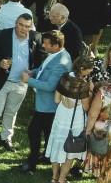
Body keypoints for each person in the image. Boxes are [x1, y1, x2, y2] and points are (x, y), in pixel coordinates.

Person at [0, 14, 39, 152]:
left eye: (27, 26)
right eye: (21, 25)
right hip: (1, 80)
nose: (23, 29)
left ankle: (6, 138)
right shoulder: (2, 35)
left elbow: (40, 60)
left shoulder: (35, 38)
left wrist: (32, 73)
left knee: (12, 112)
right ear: (16, 23)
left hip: (21, 84)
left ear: (31, 27)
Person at [20, 30, 72, 174]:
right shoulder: (56, 55)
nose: (43, 45)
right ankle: (46, 156)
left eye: (46, 43)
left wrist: (28, 80)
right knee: (46, 134)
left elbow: (50, 86)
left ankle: (32, 162)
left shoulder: (61, 63)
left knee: (34, 132)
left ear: (56, 45)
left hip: (49, 107)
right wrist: (33, 72)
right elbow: (44, 69)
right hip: (44, 105)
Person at [46, 58, 94, 183]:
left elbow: (56, 100)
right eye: (87, 72)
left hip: (61, 114)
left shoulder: (64, 77)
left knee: (56, 146)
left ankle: (54, 177)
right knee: (71, 149)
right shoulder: (84, 84)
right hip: (75, 118)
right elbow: (85, 107)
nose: (88, 75)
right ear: (82, 69)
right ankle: (61, 181)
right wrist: (90, 92)